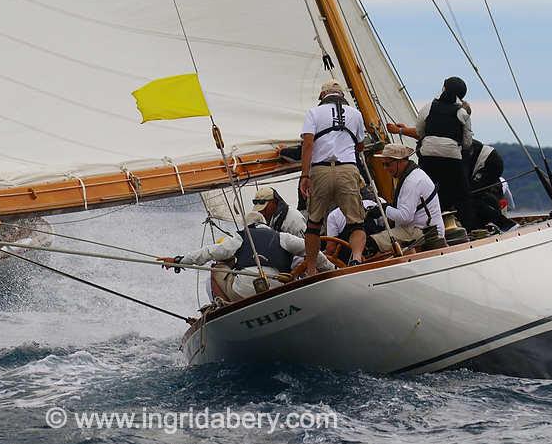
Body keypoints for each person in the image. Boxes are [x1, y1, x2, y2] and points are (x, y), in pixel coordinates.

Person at [158, 211, 333, 302]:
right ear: (264, 224)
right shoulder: (282, 237)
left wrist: (179, 261)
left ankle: (224, 306)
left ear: (246, 226)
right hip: (278, 288)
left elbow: (209, 252)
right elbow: (313, 252)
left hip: (245, 290)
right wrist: (332, 269)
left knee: (215, 268)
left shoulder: (240, 237)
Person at [387, 76, 475, 229]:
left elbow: (421, 132)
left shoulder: (427, 108)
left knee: (428, 191)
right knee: (463, 195)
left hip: (428, 157)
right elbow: (467, 142)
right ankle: (470, 228)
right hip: (451, 157)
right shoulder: (462, 113)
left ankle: (427, 227)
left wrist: (402, 129)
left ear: (443, 88)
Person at [300, 79, 367, 271]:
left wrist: (305, 176)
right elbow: (360, 145)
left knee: (314, 223)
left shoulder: (313, 112)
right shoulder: (356, 114)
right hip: (347, 169)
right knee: (356, 222)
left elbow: (308, 145)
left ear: (322, 96)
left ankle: (311, 268)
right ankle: (356, 258)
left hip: (320, 170)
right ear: (342, 96)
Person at [365, 144, 445, 254]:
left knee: (371, 243)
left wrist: (383, 209)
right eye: (383, 164)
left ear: (400, 161)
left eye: (387, 164)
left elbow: (405, 217)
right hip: (420, 228)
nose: (385, 168)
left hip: (425, 232)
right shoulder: (411, 175)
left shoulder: (412, 181)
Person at [464, 140, 517, 231]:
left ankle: (506, 225)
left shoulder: (500, 181)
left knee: (469, 196)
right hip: (487, 161)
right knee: (470, 197)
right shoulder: (502, 181)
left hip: (487, 161)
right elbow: (511, 207)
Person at [325, 187, 386, 263]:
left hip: (351, 261)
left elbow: (331, 248)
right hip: (380, 255)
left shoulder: (334, 215)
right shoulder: (379, 202)